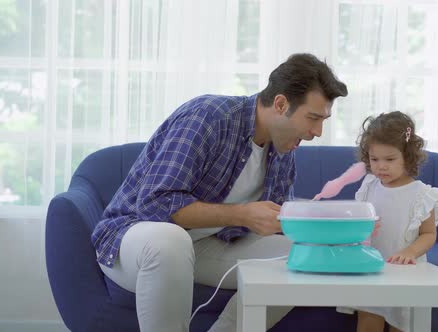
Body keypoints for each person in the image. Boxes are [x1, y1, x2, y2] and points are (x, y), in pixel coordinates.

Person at [91, 53, 348, 332]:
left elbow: (275, 222)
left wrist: (322, 225)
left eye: (323, 120)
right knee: (170, 239)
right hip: (137, 241)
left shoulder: (284, 147)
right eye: (313, 118)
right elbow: (155, 204)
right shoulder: (209, 116)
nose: (318, 131)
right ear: (281, 103)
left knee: (307, 257)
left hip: (208, 244)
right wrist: (243, 215)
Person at [351, 111, 438, 332]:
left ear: (408, 157)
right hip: (373, 270)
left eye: (390, 159)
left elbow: (428, 234)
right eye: (374, 159)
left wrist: (410, 252)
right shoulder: (369, 186)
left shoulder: (422, 195)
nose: (381, 166)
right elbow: (359, 221)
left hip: (406, 272)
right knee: (367, 322)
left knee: (402, 325)